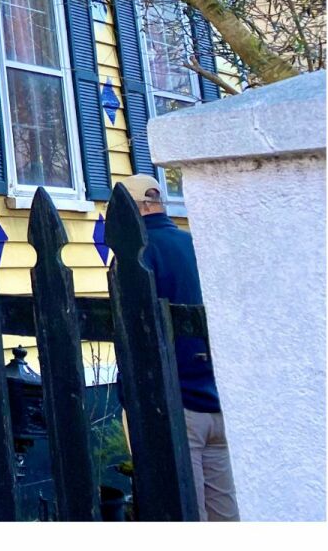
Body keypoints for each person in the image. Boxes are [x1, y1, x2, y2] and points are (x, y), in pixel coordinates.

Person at [133, 183, 239, 521]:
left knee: (184, 513)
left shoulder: (139, 253)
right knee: (225, 514)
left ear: (138, 207)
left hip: (176, 403)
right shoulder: (194, 242)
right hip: (215, 397)